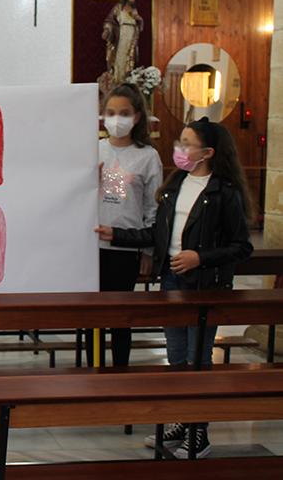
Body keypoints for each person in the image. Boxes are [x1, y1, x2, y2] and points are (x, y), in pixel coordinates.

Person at [97, 116, 253, 459]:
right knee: (177, 357)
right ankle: (183, 420)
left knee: (198, 360)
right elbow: (157, 235)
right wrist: (117, 235)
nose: (179, 149)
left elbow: (242, 246)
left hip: (204, 286)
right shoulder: (175, 184)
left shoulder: (224, 192)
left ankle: (200, 433)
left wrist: (200, 257)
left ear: (208, 152)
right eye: (179, 142)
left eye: (186, 143)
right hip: (171, 282)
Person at [86, 84, 162, 367]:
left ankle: (120, 372)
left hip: (125, 247)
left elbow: (152, 207)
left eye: (124, 113)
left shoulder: (147, 156)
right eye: (111, 112)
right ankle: (93, 370)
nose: (117, 119)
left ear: (137, 117)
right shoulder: (94, 149)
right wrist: (87, 180)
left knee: (120, 317)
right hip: (91, 246)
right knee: (91, 317)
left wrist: (148, 251)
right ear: (102, 116)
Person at [103, 0, 144, 88]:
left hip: (132, 35)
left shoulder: (134, 10)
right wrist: (107, 30)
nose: (132, 0)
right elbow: (109, 20)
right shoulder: (118, 7)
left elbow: (140, 24)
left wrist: (138, 19)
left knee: (129, 57)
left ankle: (126, 79)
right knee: (119, 56)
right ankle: (117, 79)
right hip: (121, 34)